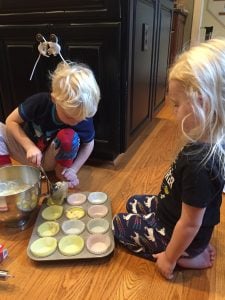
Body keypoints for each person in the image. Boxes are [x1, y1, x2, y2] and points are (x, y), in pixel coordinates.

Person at [113, 38, 225, 280]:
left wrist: (169, 259)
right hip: (173, 213)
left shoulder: (200, 166)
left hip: (178, 232)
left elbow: (189, 224)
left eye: (176, 104)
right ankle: (188, 248)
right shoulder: (209, 140)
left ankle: (189, 258)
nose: (172, 110)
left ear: (201, 102)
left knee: (118, 225)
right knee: (133, 202)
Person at [0, 61, 100, 188]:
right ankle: (5, 181)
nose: (76, 122)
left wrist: (73, 169)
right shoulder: (39, 102)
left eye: (80, 119)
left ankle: (61, 172)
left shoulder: (82, 115)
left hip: (50, 160)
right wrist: (29, 146)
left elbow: (89, 143)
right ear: (54, 99)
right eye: (69, 117)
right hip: (26, 152)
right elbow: (10, 121)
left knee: (69, 136)